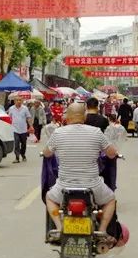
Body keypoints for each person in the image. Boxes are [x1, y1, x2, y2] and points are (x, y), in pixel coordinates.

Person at [43, 103, 118, 241]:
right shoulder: (96, 132)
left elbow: (47, 153)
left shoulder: (58, 133)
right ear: (84, 116)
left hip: (64, 188)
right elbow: (112, 154)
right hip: (92, 187)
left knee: (49, 197)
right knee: (110, 199)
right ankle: (101, 231)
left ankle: (59, 228)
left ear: (67, 117)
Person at [7, 97, 31, 163]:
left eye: (20, 100)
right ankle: (17, 158)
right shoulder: (11, 108)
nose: (18, 101)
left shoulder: (25, 108)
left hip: (23, 129)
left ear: (22, 101)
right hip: (15, 129)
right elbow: (9, 118)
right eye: (17, 100)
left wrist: (31, 126)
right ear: (14, 101)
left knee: (24, 144)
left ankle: (23, 155)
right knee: (16, 144)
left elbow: (28, 117)